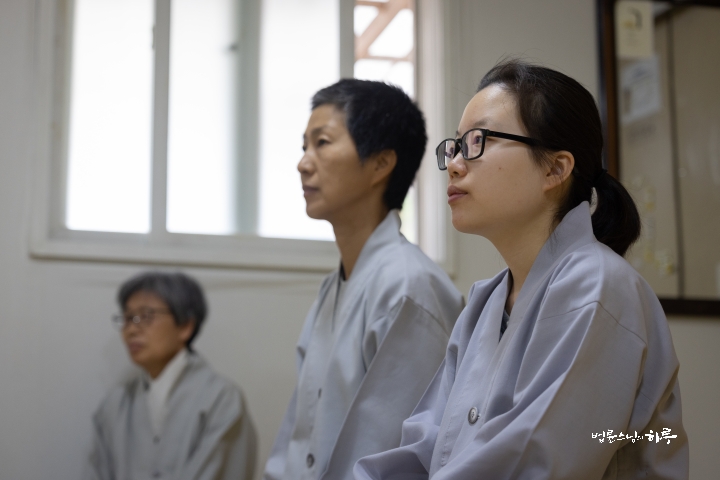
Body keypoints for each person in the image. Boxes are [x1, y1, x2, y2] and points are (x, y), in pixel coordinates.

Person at [354, 60, 689, 479]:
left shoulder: (599, 286)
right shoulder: (485, 303)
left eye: (478, 141)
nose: (454, 164)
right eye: (455, 146)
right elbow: (426, 449)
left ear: (555, 168)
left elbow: (532, 462)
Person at [262, 79, 464, 480]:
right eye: (304, 146)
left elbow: (403, 458)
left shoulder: (409, 287)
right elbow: (299, 435)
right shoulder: (335, 286)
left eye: (322, 143)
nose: (303, 163)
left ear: (380, 164)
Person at [85, 271, 257, 480]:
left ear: (185, 326)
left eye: (146, 316)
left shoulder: (221, 399)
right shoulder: (115, 404)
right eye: (128, 318)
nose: (131, 329)